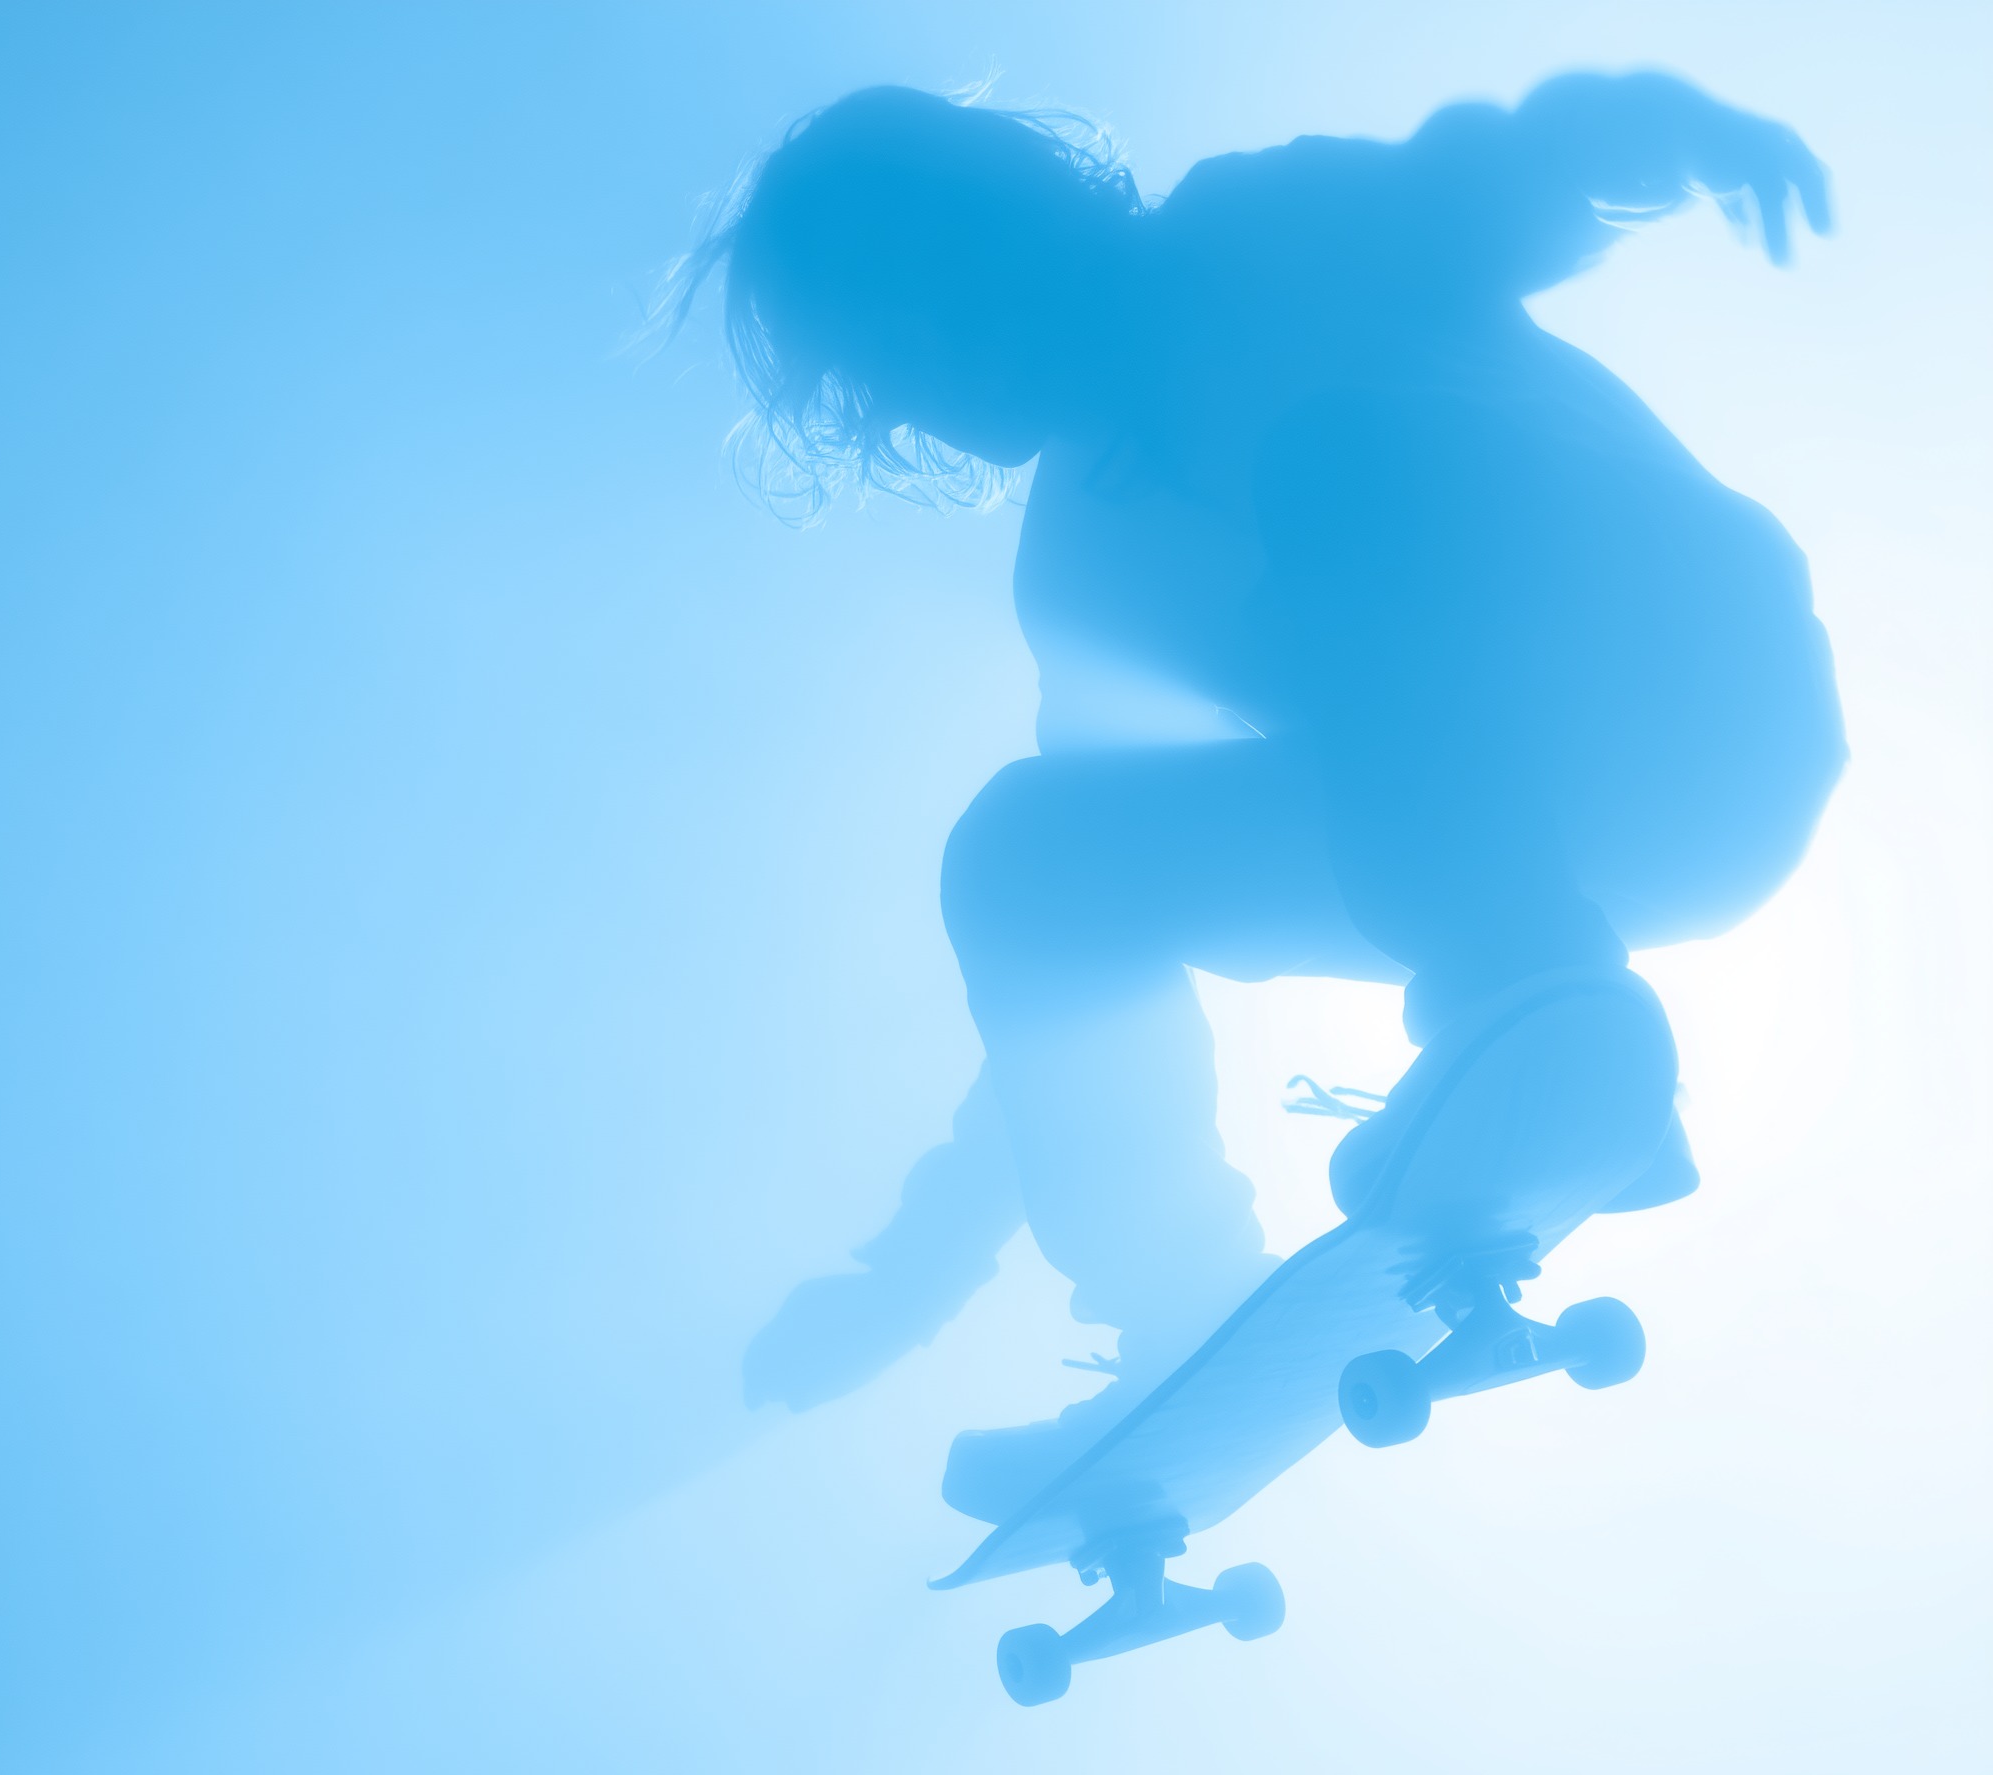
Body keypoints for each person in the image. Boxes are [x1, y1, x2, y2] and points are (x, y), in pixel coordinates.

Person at [680, 74, 1845, 1521]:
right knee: (1026, 860)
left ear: (1016, 222)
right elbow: (1068, 990)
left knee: (1338, 465)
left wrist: (1676, 132)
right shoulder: (1079, 577)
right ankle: (1175, 1308)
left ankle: (1518, 981)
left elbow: (1504, 176)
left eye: (931, 308)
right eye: (887, 371)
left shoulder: (1261, 232)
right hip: (1569, 835)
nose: (932, 375)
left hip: (1699, 693)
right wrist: (911, 1276)